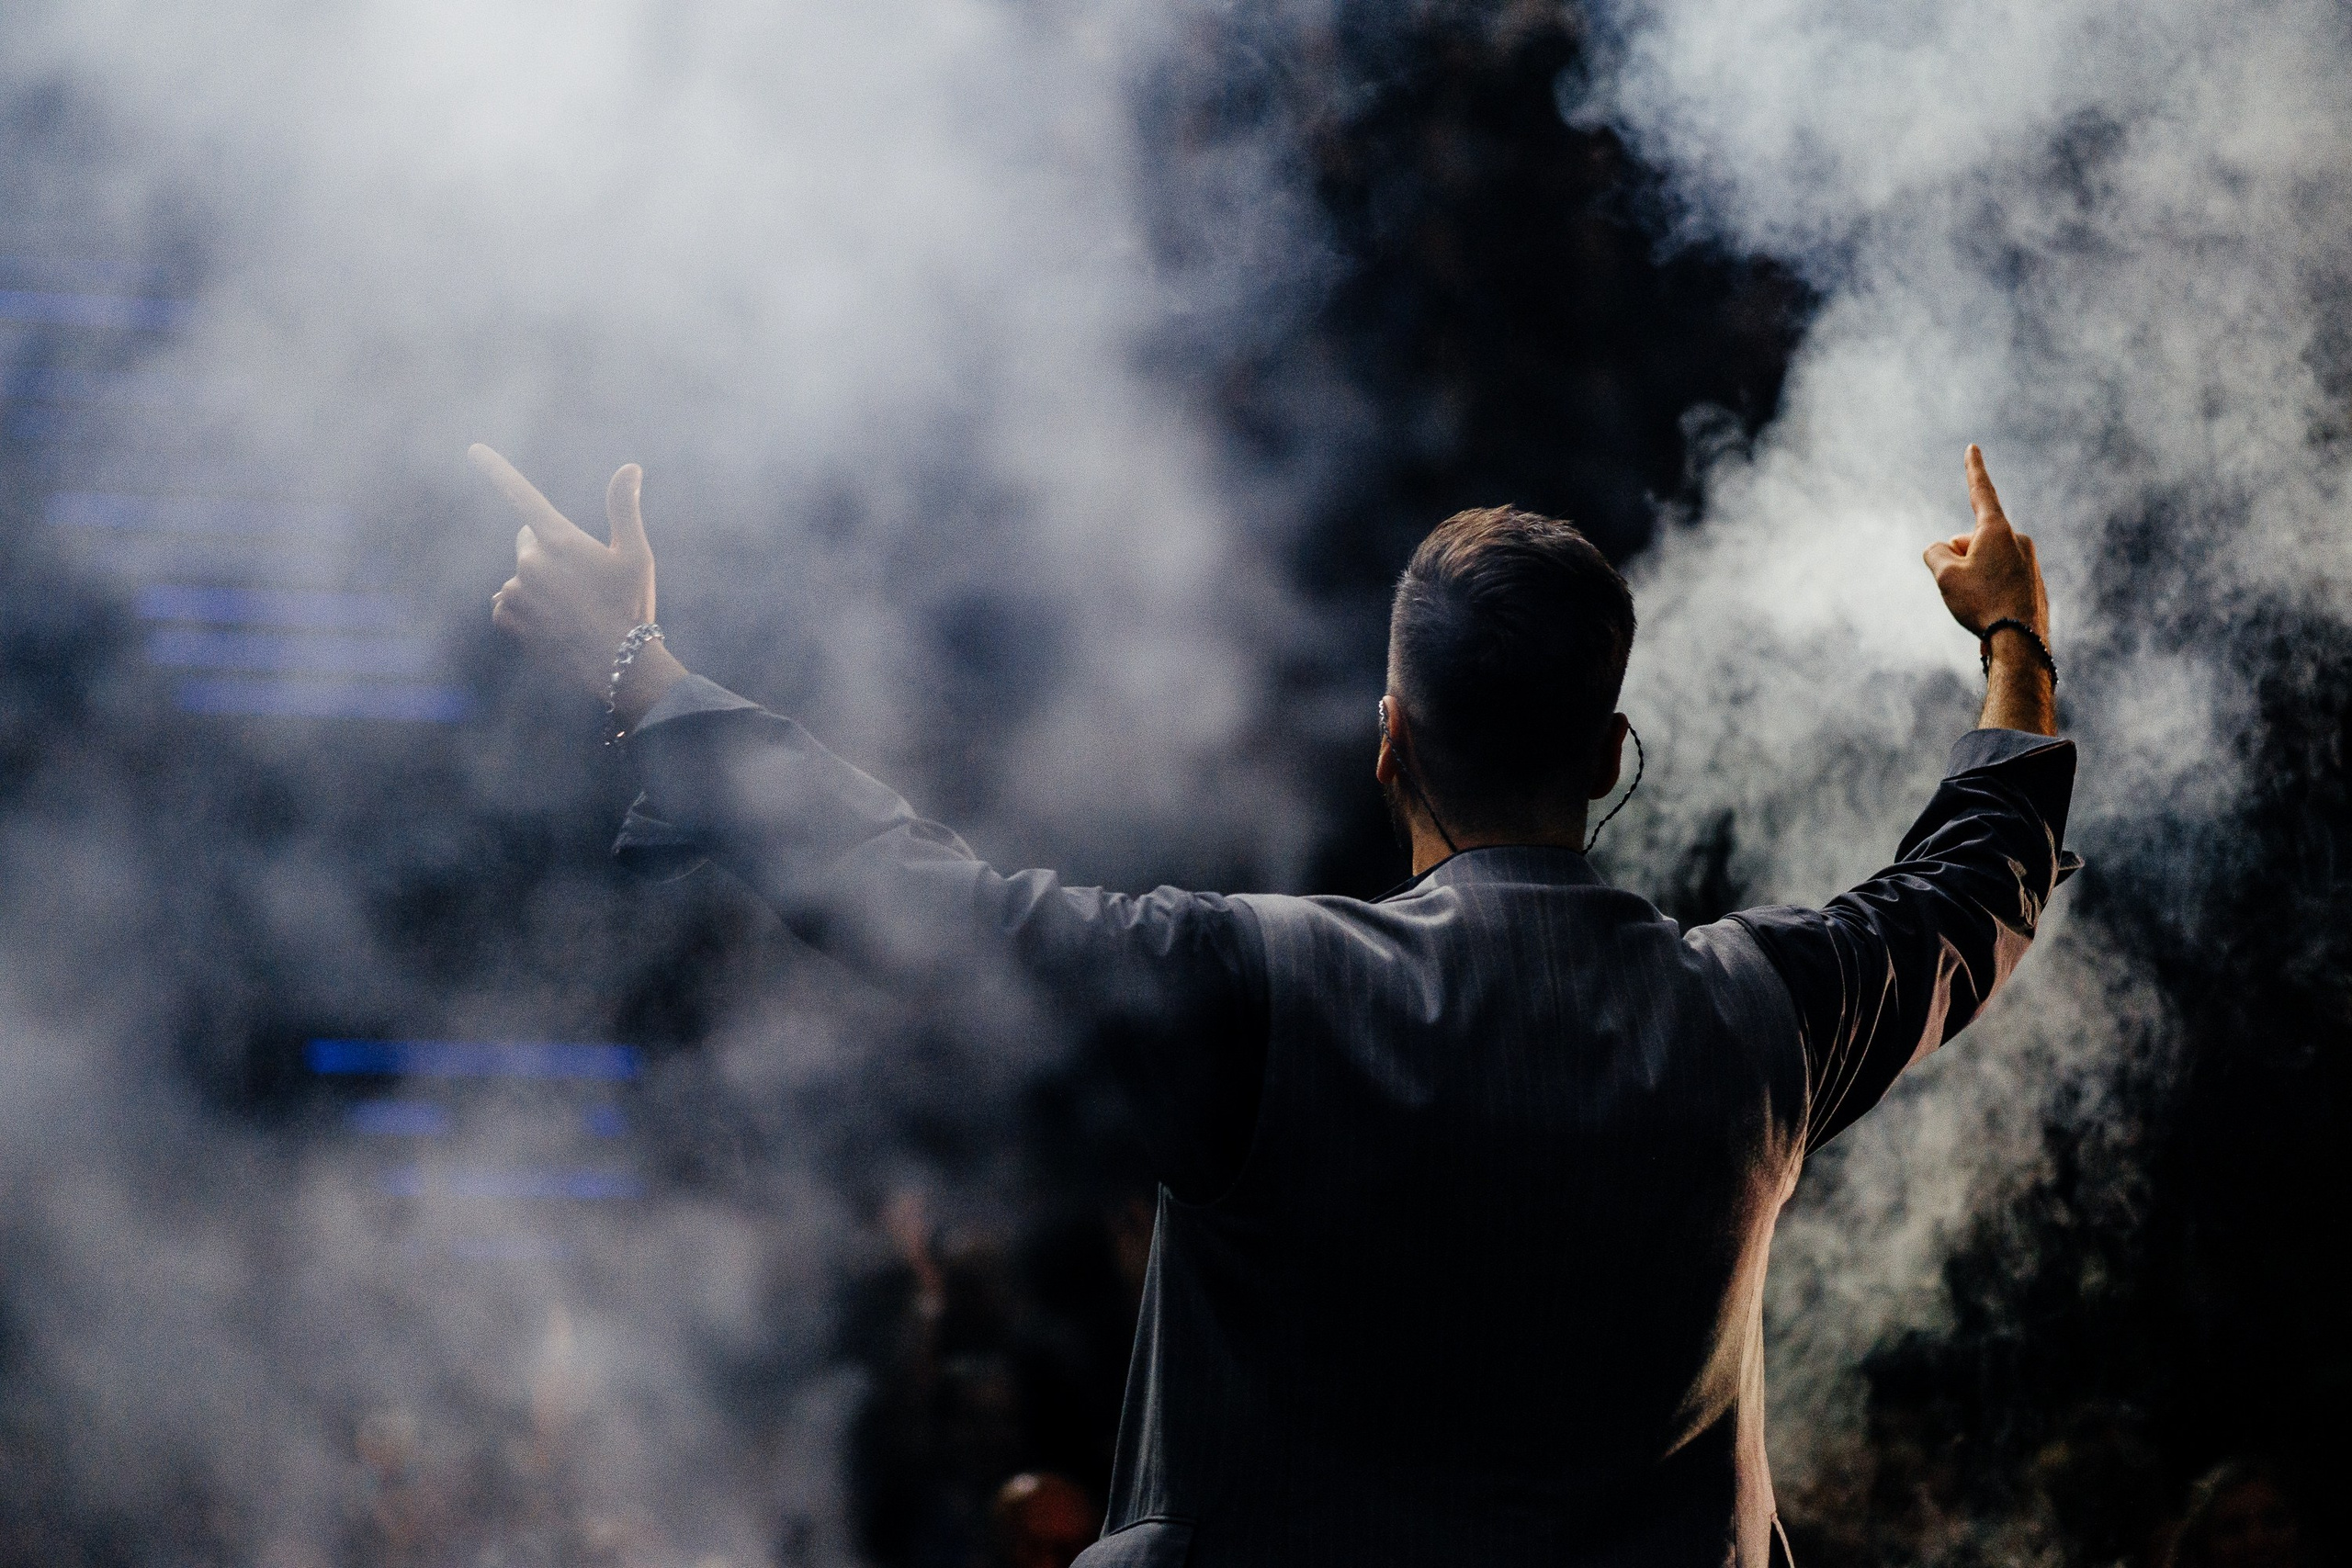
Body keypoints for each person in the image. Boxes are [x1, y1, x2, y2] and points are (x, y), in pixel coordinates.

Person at [478, 442, 2075, 1566]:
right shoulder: (1764, 1018)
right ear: (1607, 752)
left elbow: (916, 902)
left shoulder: (1260, 995)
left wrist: (643, 670)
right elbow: (1979, 879)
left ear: (1389, 738)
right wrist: (2011, 636)